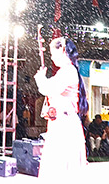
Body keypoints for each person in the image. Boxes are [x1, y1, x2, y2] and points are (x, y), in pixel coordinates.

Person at [33, 35, 88, 173]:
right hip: (62, 122)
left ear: (62, 50)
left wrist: (40, 79)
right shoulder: (67, 71)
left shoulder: (68, 72)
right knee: (61, 167)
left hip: (65, 124)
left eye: (53, 53)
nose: (52, 57)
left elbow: (48, 89)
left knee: (61, 166)